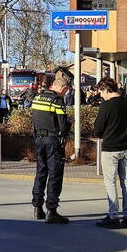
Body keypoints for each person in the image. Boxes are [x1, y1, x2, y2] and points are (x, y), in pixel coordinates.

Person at [30, 69, 73, 224]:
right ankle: (52, 210)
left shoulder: (37, 98)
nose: (66, 94)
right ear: (63, 88)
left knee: (40, 173)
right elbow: (62, 126)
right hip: (52, 141)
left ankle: (37, 207)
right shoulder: (57, 101)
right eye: (66, 91)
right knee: (54, 174)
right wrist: (69, 122)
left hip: (39, 139)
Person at [93, 77, 127, 229]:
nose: (101, 95)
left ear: (106, 89)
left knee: (110, 182)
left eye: (101, 92)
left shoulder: (106, 106)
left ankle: (113, 216)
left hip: (111, 148)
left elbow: (98, 129)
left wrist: (104, 133)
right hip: (126, 146)